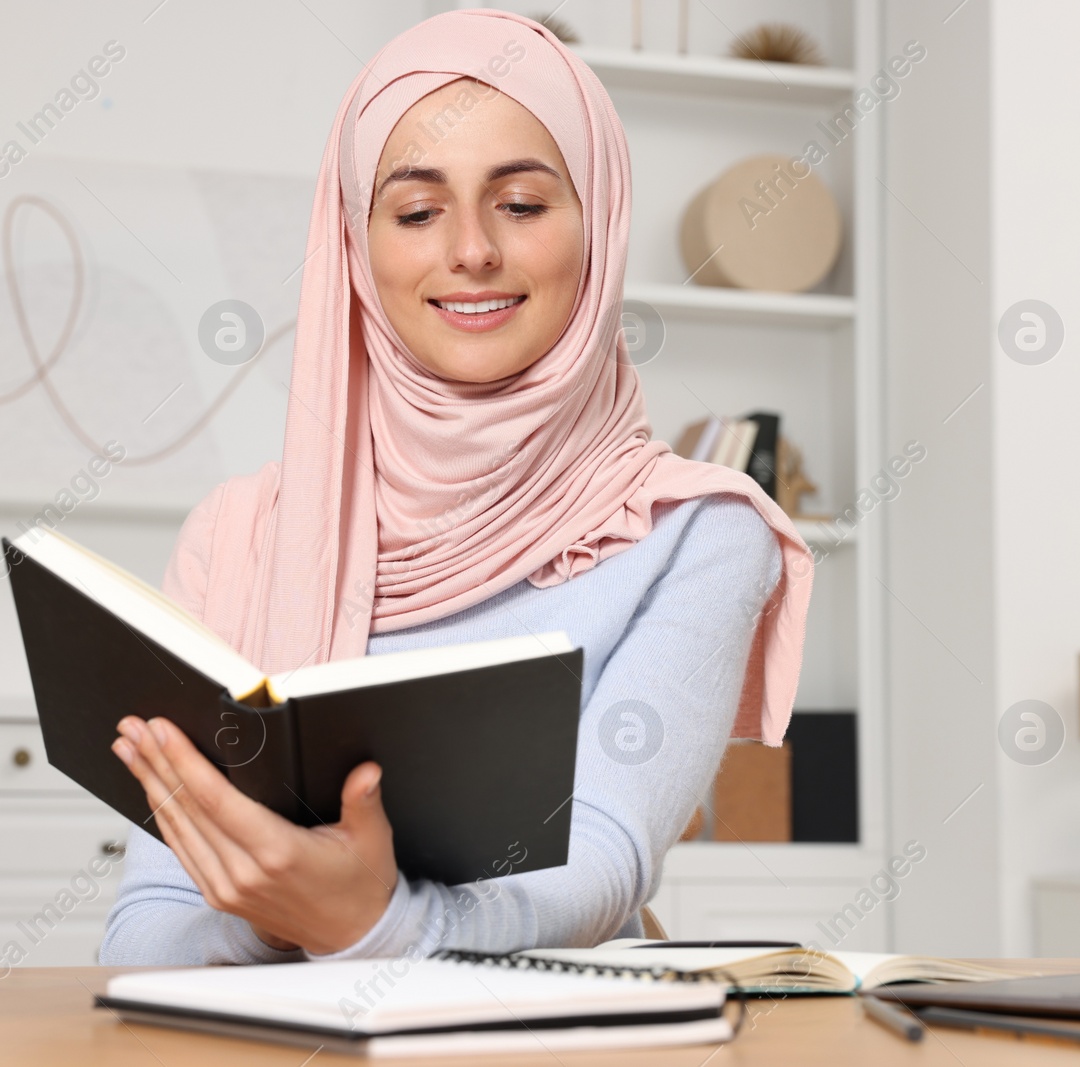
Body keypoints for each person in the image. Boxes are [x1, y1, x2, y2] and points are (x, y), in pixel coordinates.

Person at [99, 9, 812, 966]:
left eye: (520, 204)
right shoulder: (237, 536)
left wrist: (368, 923)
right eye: (417, 211)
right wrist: (282, 912)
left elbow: (601, 860)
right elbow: (144, 930)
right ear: (358, 244)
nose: (471, 249)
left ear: (596, 227)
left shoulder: (700, 530)